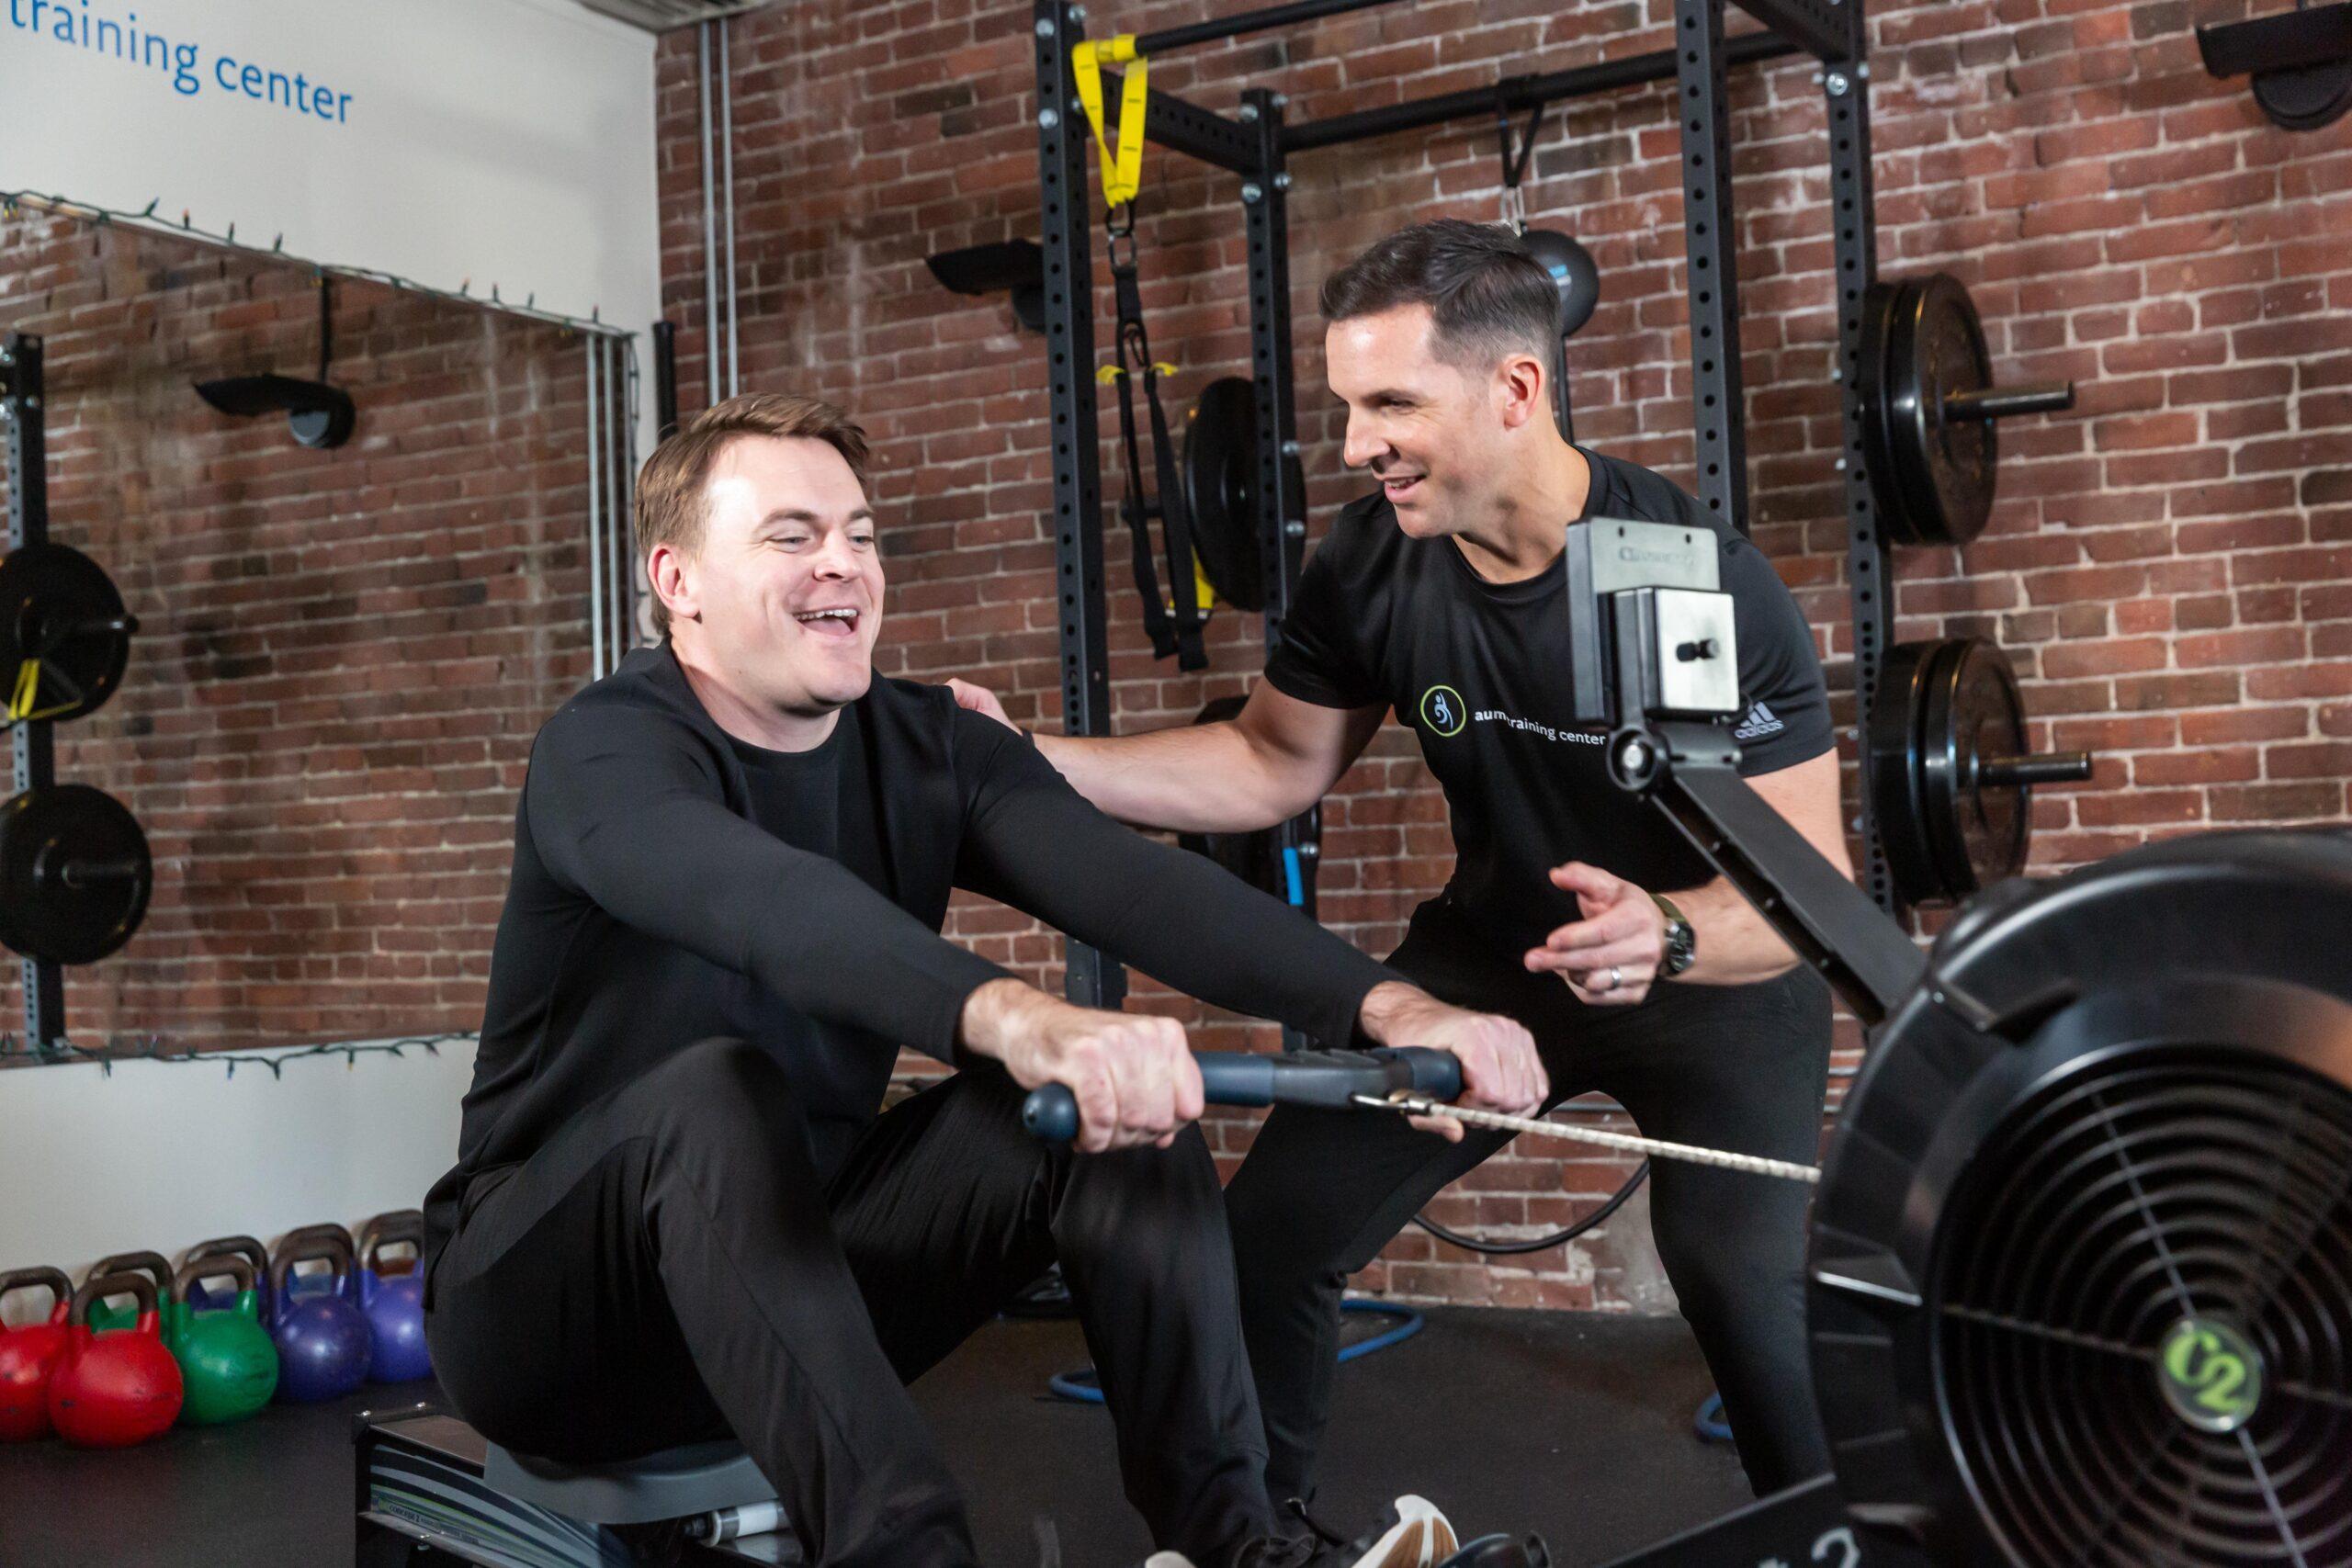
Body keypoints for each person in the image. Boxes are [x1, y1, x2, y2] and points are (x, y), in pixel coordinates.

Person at [420, 391, 1546, 1568]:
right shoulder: (603, 752)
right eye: (791, 535)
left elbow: (1136, 890)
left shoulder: (928, 745)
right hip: (550, 1324)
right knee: (714, 1092)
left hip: (798, 1275)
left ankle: (1236, 1548)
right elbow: (763, 905)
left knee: (1125, 1103)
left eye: (860, 534)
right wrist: (1015, 1018)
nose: (842, 566)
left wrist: (1392, 1006)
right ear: (677, 579)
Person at [953, 219, 1851, 1506]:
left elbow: (1809, 892)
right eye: (1347, 403)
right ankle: (1262, 1543)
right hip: (1492, 965)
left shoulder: (1697, 584)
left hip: (1710, 979)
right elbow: (1271, 758)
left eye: (1392, 403)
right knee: (1270, 1237)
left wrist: (1668, 929)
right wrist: (1032, 756)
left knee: (1741, 1280)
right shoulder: (1375, 558)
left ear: (1516, 390)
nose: (1356, 440)